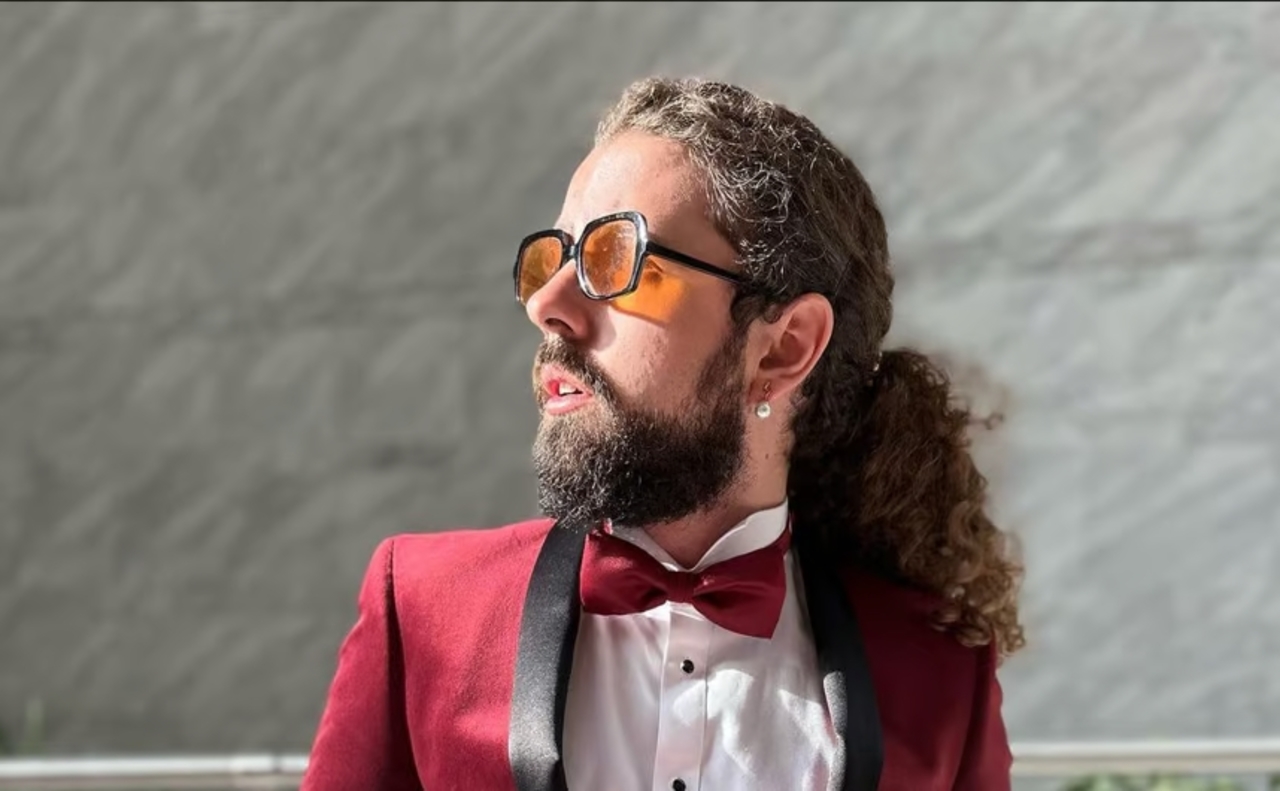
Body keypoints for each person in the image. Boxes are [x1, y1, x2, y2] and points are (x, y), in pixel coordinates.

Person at [300, 76, 1025, 791]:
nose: (547, 304)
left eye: (615, 259)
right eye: (553, 259)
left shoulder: (940, 671)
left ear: (784, 347)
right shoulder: (423, 610)